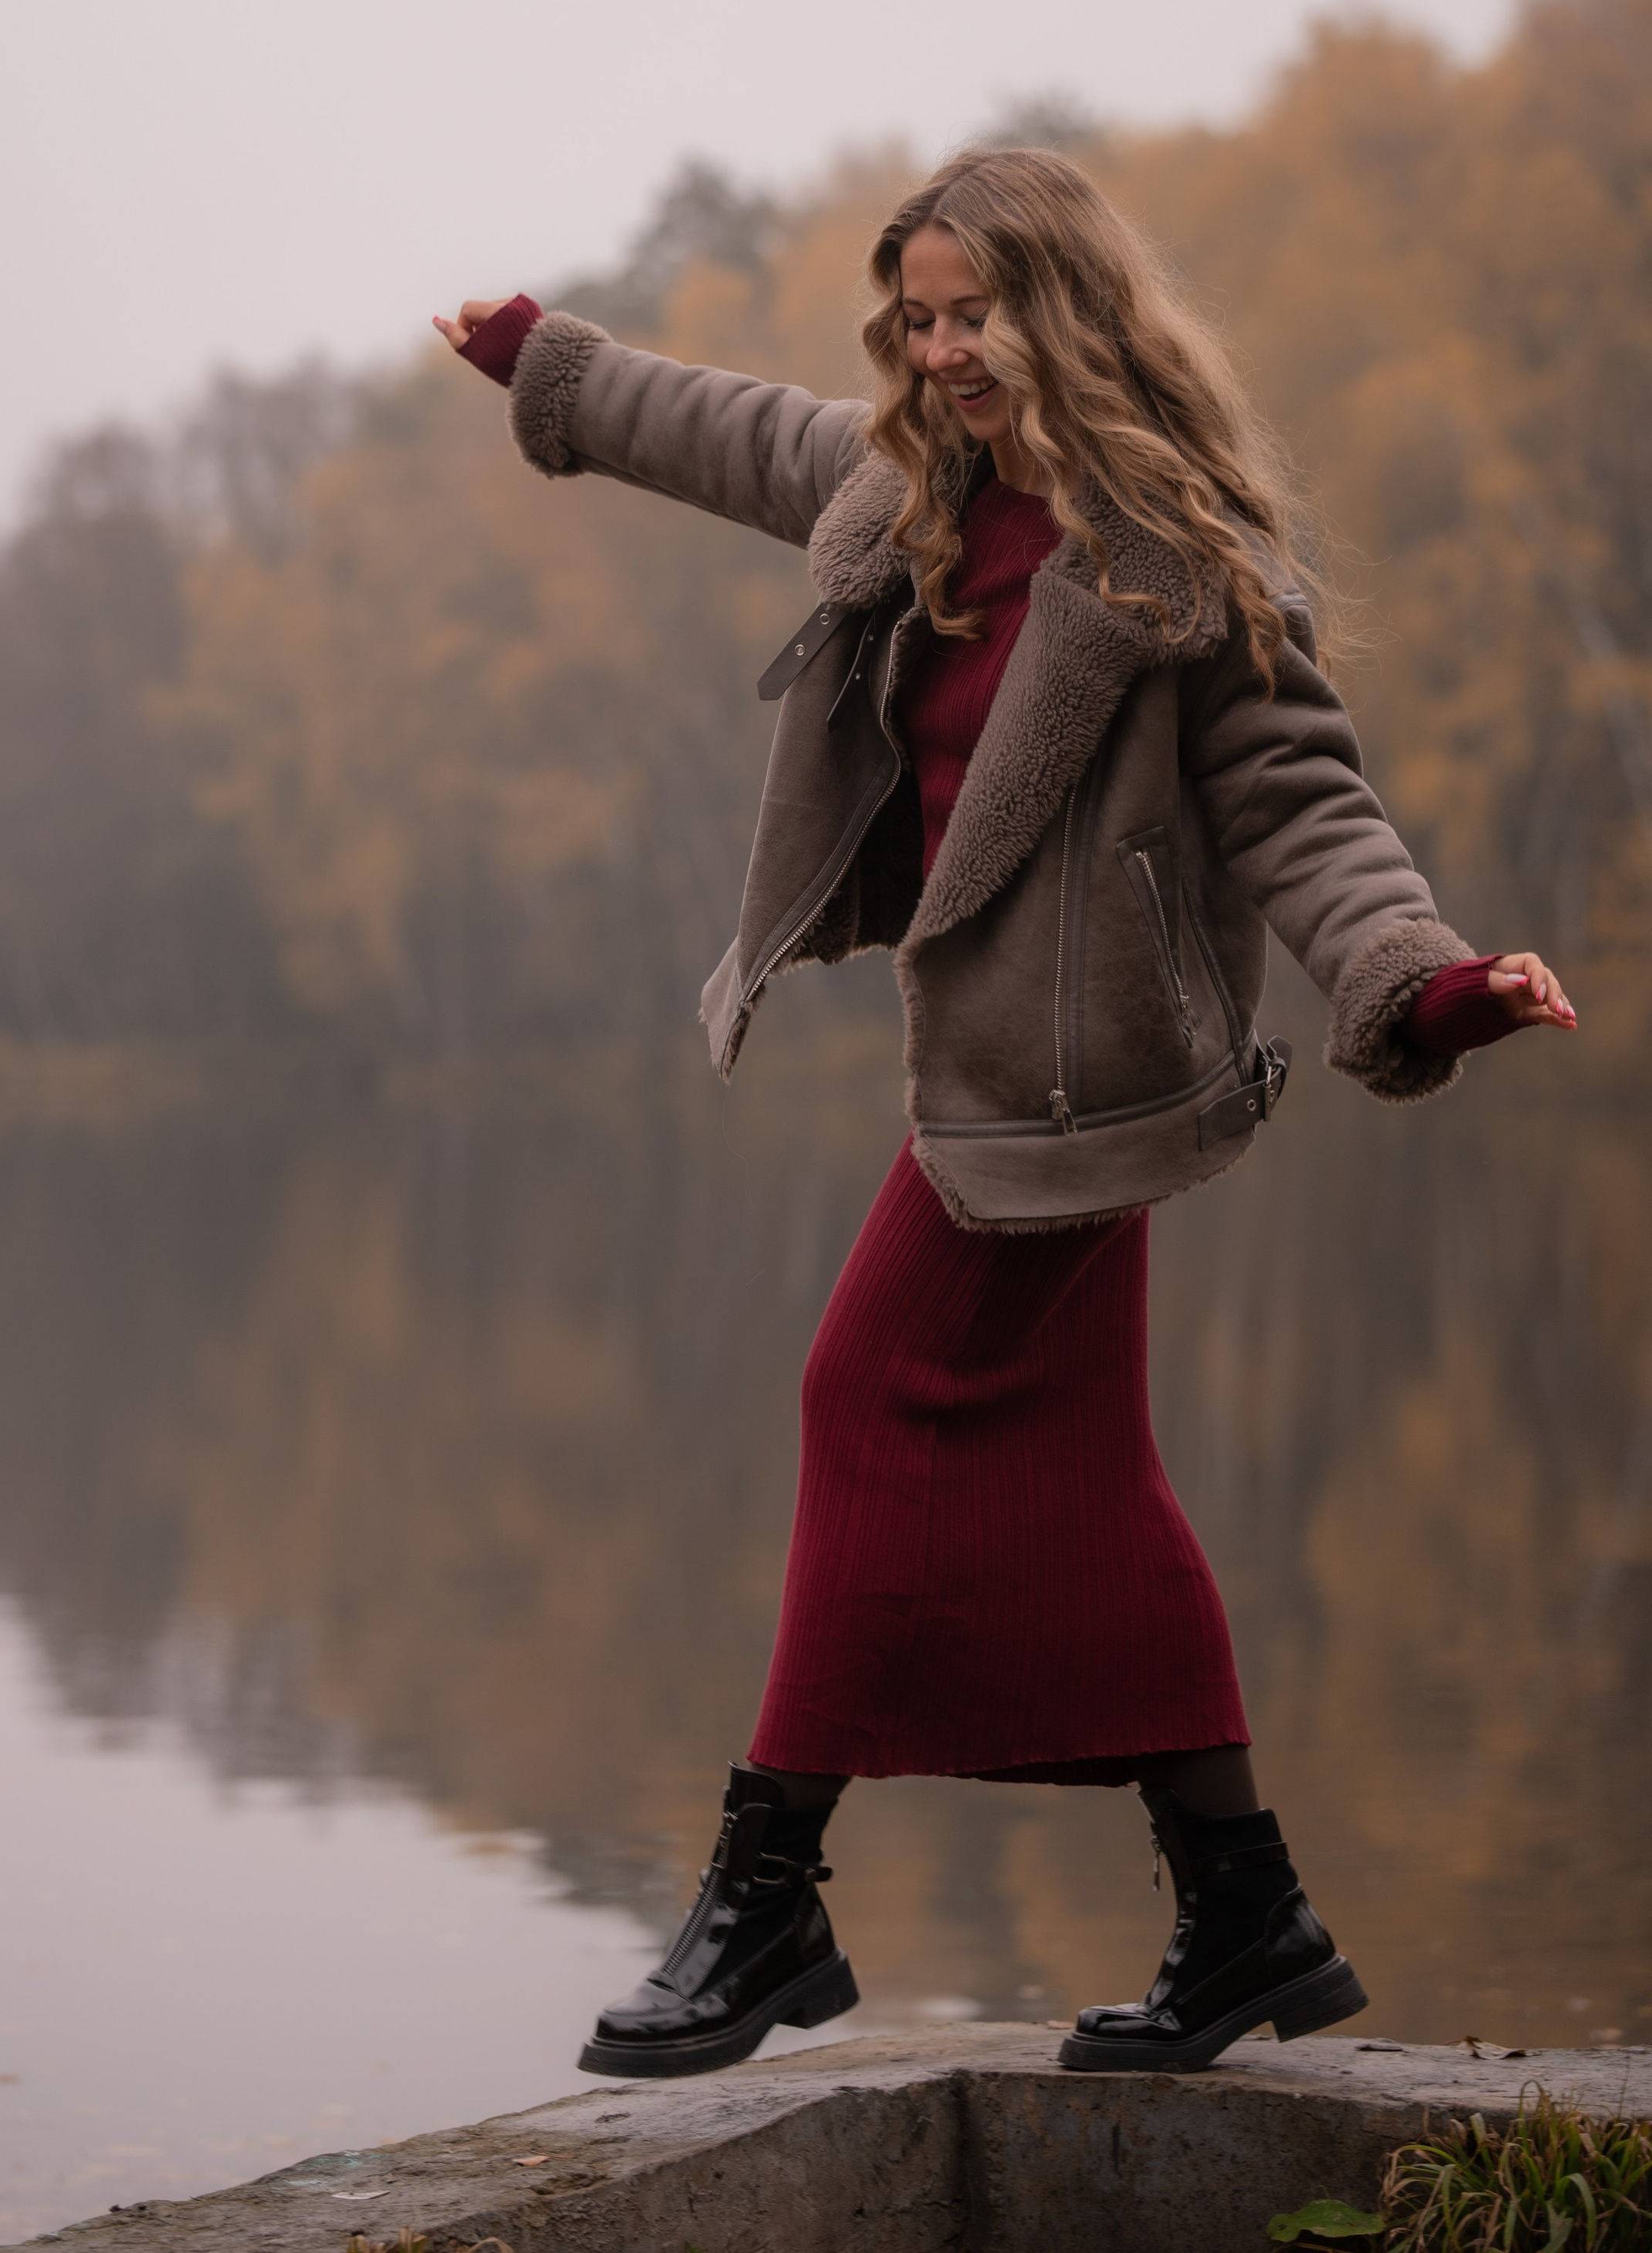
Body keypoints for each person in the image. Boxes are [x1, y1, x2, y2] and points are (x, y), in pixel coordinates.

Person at [433, 146, 1575, 2081]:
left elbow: (1304, 805)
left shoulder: (1178, 558)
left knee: (850, 1395)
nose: (945, 348)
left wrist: (1421, 981)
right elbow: (721, 427)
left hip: (1085, 1083)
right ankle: (1242, 1912)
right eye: (922, 315)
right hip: (994, 1077)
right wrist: (550, 362)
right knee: (1083, 1480)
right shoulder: (908, 497)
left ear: (1067, 310)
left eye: (977, 311)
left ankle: (769, 1891)